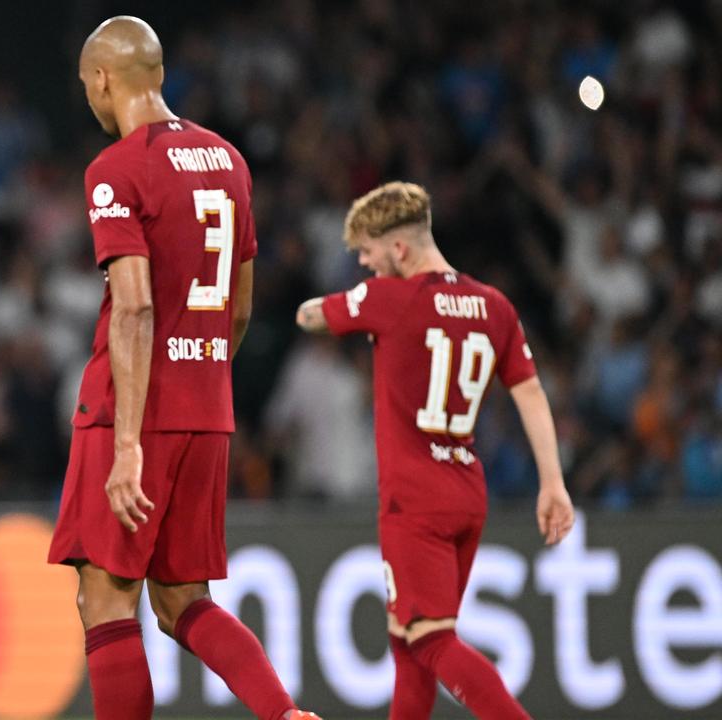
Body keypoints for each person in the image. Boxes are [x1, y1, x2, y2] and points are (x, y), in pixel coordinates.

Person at [47, 16, 320, 720]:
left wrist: (131, 442)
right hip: (206, 407)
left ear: (104, 78)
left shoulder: (116, 169)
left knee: (105, 600)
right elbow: (238, 305)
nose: (89, 100)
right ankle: (285, 714)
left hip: (130, 409)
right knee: (181, 600)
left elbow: (133, 307)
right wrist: (196, 380)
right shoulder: (229, 160)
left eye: (87, 86)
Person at [296, 181, 576, 719]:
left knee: (430, 642)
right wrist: (553, 483)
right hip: (466, 490)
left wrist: (313, 308)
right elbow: (532, 393)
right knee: (408, 642)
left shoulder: (388, 299)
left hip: (413, 499)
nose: (365, 266)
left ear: (399, 249)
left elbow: (312, 316)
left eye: (369, 255)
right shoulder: (494, 306)